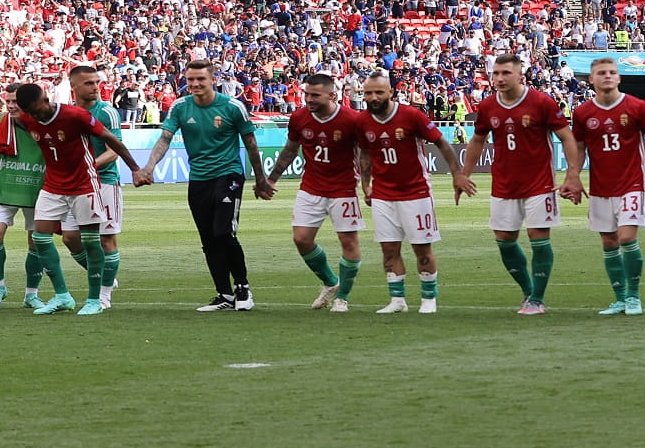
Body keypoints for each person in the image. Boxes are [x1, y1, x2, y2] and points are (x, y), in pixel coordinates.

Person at [136, 60, 274, 312]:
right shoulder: (180, 107)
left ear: (213, 80)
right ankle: (224, 294)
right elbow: (165, 138)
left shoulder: (232, 107)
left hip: (228, 174)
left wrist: (260, 179)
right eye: (190, 80)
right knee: (209, 239)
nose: (195, 84)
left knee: (223, 232)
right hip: (198, 178)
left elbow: (251, 143)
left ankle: (242, 287)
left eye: (200, 79)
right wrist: (149, 167)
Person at [570, 57, 645, 316]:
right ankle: (620, 298)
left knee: (626, 237)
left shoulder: (637, 106)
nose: (607, 76)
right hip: (600, 186)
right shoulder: (582, 113)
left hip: (632, 182)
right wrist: (573, 176)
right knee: (609, 242)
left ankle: (634, 296)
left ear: (619, 78)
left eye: (612, 72)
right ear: (591, 79)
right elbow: (579, 148)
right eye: (601, 73)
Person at [467, 54, 583, 315]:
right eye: (495, 73)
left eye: (505, 73)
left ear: (520, 75)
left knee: (538, 236)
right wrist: (464, 174)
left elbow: (566, 137)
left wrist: (572, 174)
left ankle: (537, 299)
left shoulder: (542, 102)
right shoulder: (487, 106)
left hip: (540, 183)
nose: (499, 78)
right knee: (504, 240)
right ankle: (528, 290)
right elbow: (477, 140)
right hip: (504, 184)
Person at [11, 83, 140, 316]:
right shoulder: (25, 120)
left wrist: (135, 168)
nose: (36, 116)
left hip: (84, 185)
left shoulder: (75, 116)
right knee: (40, 237)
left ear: (46, 99)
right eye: (30, 112)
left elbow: (111, 139)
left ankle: (94, 300)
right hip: (53, 186)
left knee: (92, 242)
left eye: (38, 110)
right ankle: (63, 296)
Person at [357, 72, 477, 313]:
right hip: (382, 194)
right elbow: (365, 153)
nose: (373, 97)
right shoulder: (362, 122)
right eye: (368, 93)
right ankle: (397, 300)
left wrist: (457, 174)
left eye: (379, 92)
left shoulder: (411, 115)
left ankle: (428, 299)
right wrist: (366, 183)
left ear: (390, 92)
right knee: (388, 248)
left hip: (416, 192)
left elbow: (442, 142)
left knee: (421, 248)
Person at [267, 72, 368, 311]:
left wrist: (367, 185)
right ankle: (330, 282)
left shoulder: (352, 120)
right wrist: (270, 180)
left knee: (349, 242)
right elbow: (290, 150)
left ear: (332, 95)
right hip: (311, 186)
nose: (308, 99)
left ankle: (342, 297)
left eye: (315, 95)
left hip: (343, 189)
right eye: (306, 94)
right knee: (301, 239)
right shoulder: (299, 117)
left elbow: (364, 155)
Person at [0, 83, 56, 311]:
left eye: (15, 102)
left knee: (36, 242)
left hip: (39, 192)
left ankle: (31, 294)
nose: (11, 106)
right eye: (8, 102)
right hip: (6, 190)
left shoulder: (46, 125)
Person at [66, 66, 124, 309]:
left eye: (96, 82)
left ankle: (103, 295)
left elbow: (115, 149)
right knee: (70, 238)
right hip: (74, 184)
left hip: (104, 182)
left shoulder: (106, 112)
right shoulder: (67, 113)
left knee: (106, 239)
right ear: (74, 88)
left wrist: (90, 165)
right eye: (88, 83)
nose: (95, 87)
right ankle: (103, 273)